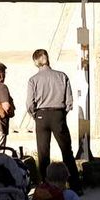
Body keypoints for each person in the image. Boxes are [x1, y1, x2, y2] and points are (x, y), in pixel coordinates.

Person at [25, 48, 80, 191]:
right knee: (67, 151)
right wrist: (62, 114)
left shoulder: (33, 80)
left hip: (41, 115)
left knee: (43, 153)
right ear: (47, 58)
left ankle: (45, 187)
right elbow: (69, 101)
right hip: (58, 114)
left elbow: (29, 104)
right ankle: (75, 185)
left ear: (36, 62)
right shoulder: (62, 76)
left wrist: (35, 115)